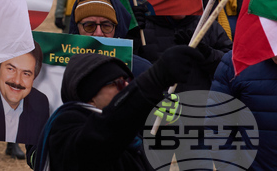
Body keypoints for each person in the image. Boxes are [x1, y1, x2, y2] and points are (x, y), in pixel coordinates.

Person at [31, 45, 204, 170]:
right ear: (90, 96)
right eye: (119, 83)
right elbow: (100, 140)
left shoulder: (131, 131)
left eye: (129, 82)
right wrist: (151, 82)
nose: (127, 87)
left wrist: (163, 127)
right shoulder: (66, 124)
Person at [68, 0, 151, 76]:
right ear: (77, 29)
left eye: (106, 26)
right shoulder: (59, 66)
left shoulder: (141, 70)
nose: (98, 33)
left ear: (116, 28)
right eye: (89, 26)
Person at [0, 45, 50, 150]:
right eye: (11, 69)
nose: (17, 81)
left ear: (34, 79)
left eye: (26, 74)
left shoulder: (40, 102)